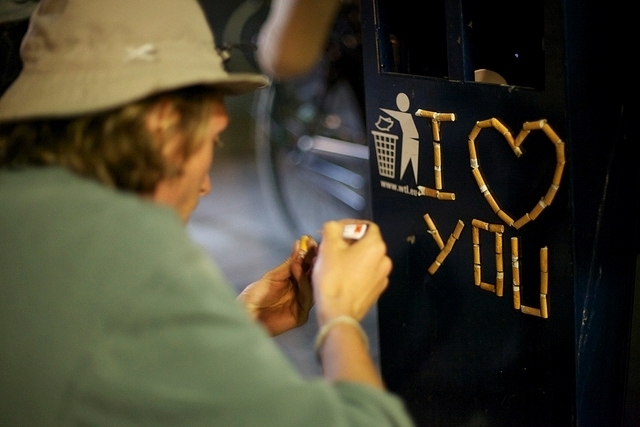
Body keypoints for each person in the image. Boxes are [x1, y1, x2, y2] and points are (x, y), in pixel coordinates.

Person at [0, 0, 415, 426]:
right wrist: (340, 316)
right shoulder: (133, 255)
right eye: (212, 136)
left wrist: (237, 323)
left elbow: (97, 371)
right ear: (163, 125)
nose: (205, 185)